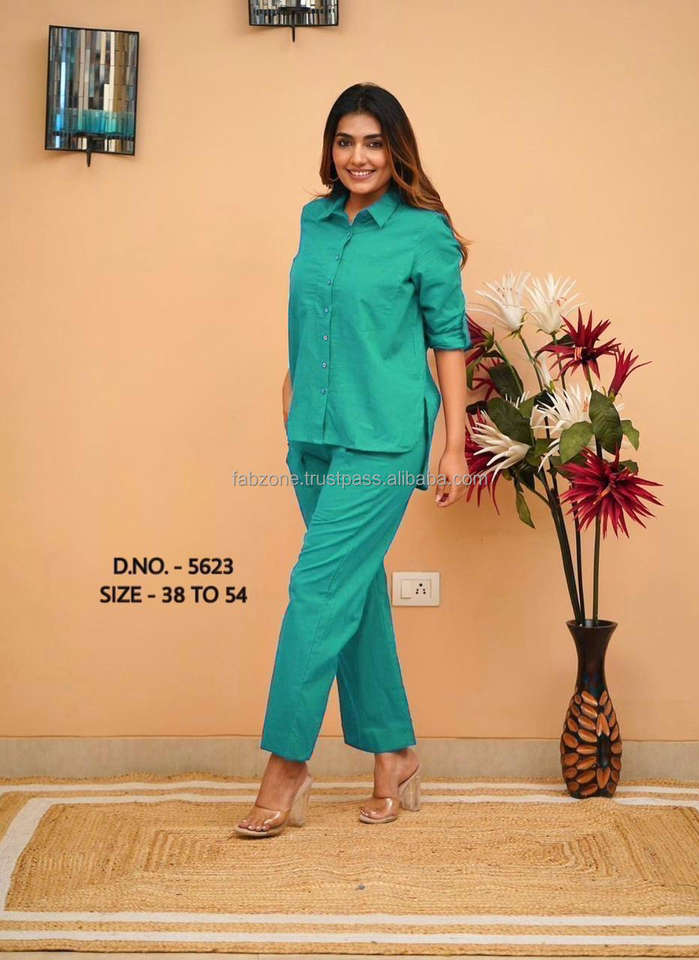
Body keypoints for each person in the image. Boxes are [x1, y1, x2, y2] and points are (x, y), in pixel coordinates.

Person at [235, 83, 471, 837]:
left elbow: (449, 338)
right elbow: (313, 313)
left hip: (385, 435)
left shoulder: (424, 233)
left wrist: (455, 443)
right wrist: (291, 383)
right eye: (345, 142)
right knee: (353, 591)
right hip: (312, 429)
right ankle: (394, 752)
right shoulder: (315, 220)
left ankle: (287, 764)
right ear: (330, 149)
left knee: (317, 588)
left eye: (372, 142)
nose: (357, 157)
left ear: (396, 150)